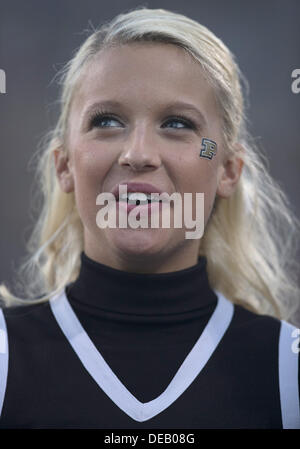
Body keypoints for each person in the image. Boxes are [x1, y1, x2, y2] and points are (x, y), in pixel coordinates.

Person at [0, 7, 299, 429]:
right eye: (106, 121)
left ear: (227, 169)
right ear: (64, 164)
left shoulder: (287, 369)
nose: (138, 154)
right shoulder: (5, 356)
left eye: (177, 123)